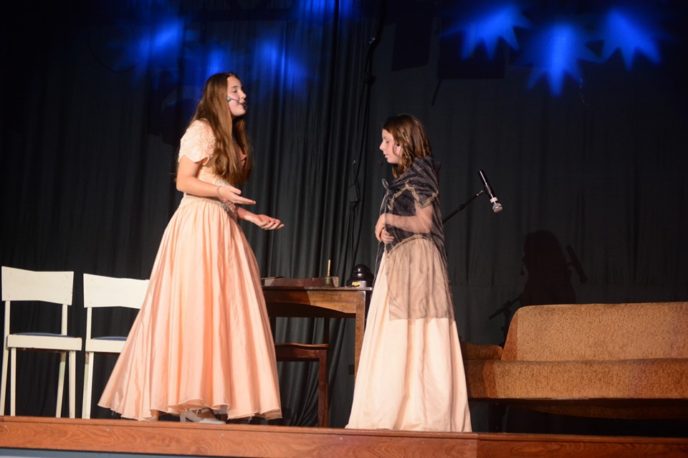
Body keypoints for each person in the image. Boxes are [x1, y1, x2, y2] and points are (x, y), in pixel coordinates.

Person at [99, 72, 283, 423]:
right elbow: (185, 182)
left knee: (222, 313)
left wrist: (250, 216)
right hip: (197, 227)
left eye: (242, 89)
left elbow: (219, 190)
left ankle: (210, 398)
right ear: (219, 97)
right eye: (235, 90)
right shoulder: (201, 130)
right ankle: (193, 401)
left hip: (222, 227)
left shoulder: (231, 136)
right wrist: (221, 192)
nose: (243, 95)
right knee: (196, 309)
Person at [346, 114, 472, 432]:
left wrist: (388, 219)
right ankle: (398, 413)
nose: (381, 147)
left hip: (418, 264)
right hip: (401, 261)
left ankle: (421, 416)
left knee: (418, 337)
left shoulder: (421, 173)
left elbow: (424, 223)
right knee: (397, 338)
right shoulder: (406, 176)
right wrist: (386, 230)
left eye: (387, 140)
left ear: (403, 143)